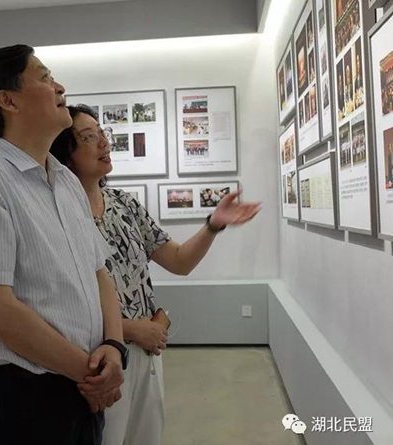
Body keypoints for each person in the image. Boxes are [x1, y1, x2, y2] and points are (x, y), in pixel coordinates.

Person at [0, 44, 126, 445]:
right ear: (8, 101)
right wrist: (92, 374)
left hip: (80, 385)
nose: (59, 87)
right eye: (44, 78)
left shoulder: (65, 180)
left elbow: (99, 273)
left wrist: (113, 347)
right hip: (24, 395)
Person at [50, 105, 261, 445]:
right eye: (88, 137)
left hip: (146, 354)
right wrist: (131, 329)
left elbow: (178, 261)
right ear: (65, 154)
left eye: (102, 133)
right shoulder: (56, 215)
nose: (104, 143)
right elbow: (60, 300)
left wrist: (213, 225)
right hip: (99, 359)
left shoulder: (123, 204)